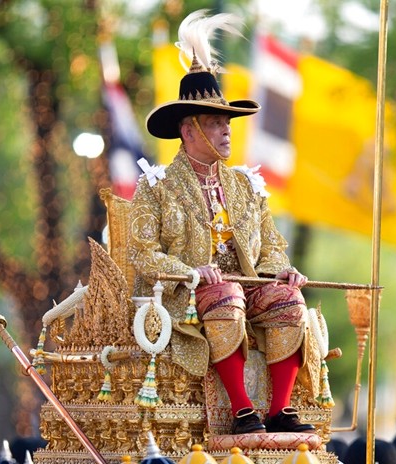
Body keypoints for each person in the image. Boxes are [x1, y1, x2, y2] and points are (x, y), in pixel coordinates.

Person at [128, 10, 320, 435]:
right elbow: (141, 253)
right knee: (225, 294)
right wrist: (190, 272)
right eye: (215, 123)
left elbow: (270, 247)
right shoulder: (156, 186)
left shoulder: (248, 185)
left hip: (242, 290)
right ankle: (241, 410)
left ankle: (281, 410)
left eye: (227, 123)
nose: (226, 132)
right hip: (183, 297)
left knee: (288, 301)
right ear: (188, 129)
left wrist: (281, 273)